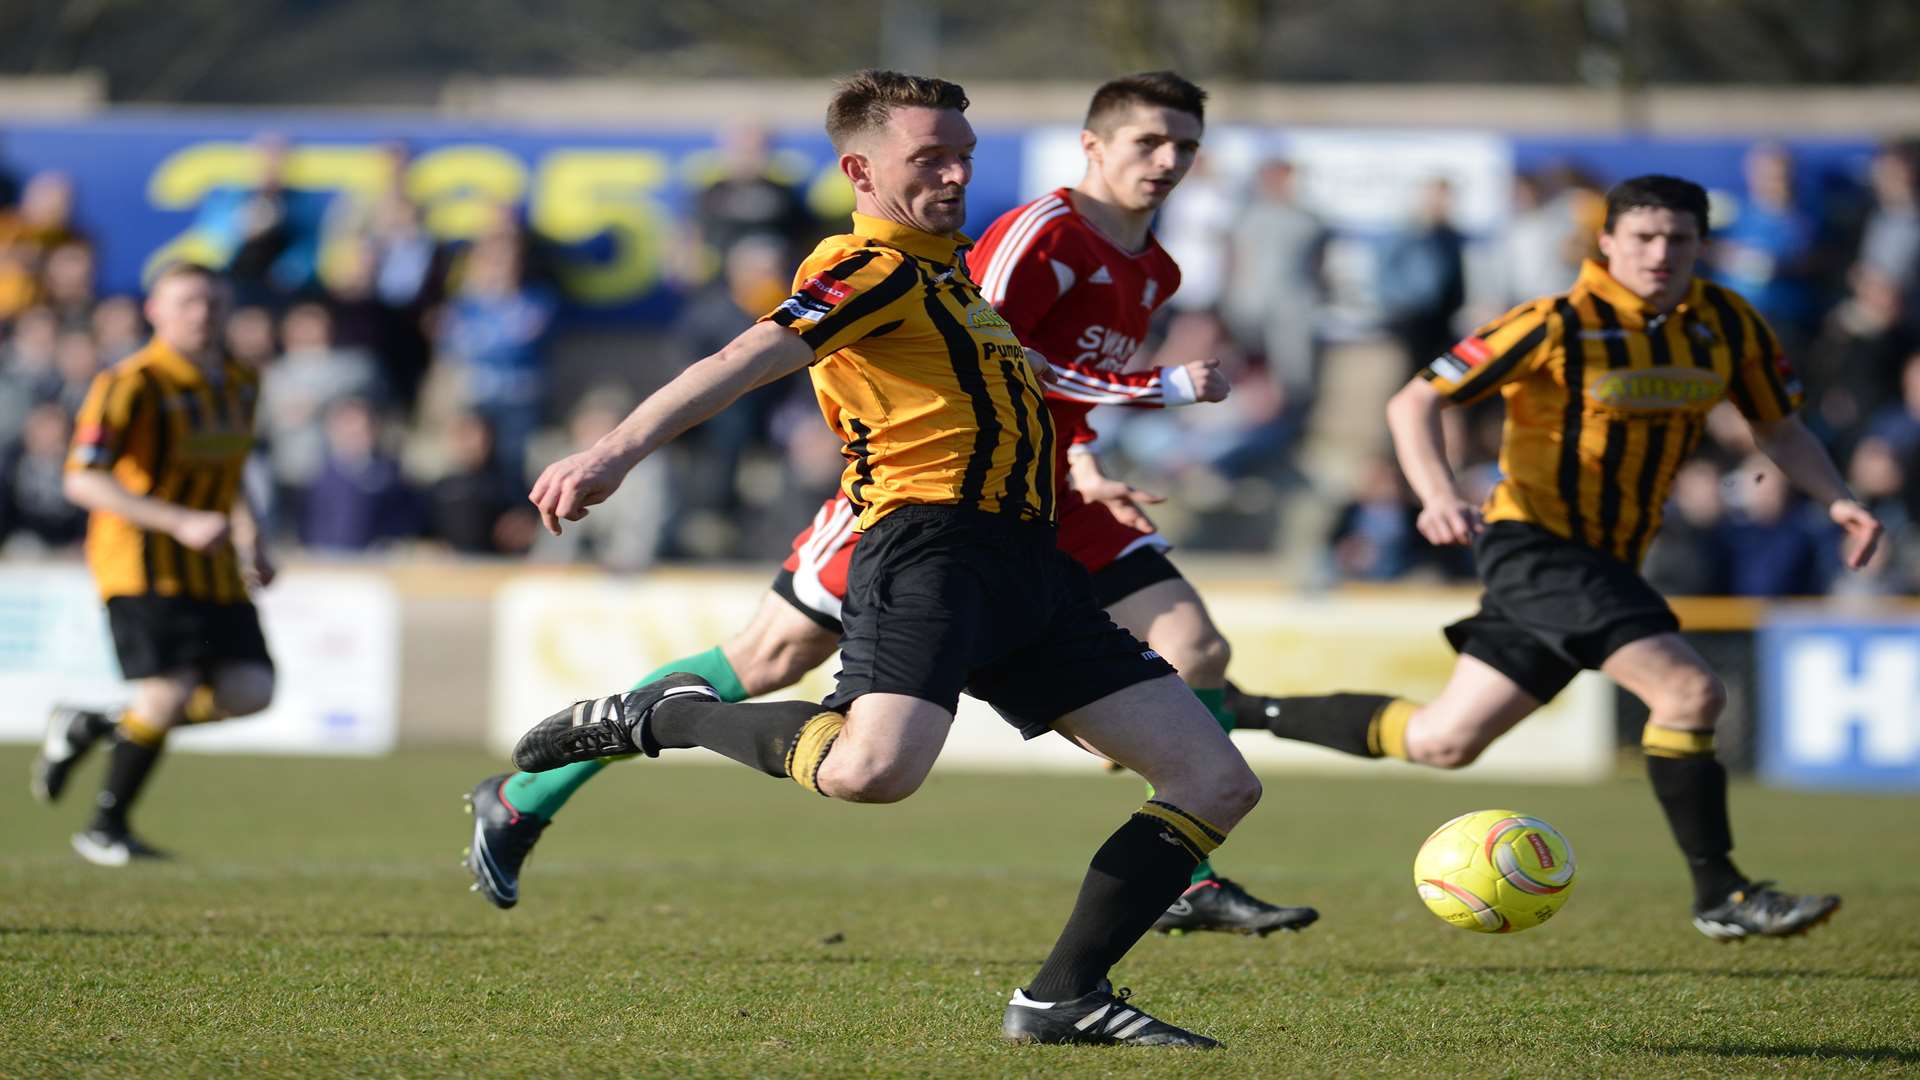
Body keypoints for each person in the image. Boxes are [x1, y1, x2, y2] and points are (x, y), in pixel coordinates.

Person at [499, 70, 1261, 1048]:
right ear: (860, 170)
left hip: (1029, 562)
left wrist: (1079, 458)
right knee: (871, 772)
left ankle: (1061, 999)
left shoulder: (950, 274)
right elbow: (743, 357)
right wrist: (612, 451)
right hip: (929, 549)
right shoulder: (872, 269)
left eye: (964, 158)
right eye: (929, 159)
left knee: (1216, 779)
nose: (954, 175)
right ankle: (663, 717)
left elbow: (1024, 392)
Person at [1223, 175, 1884, 941]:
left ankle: (1231, 710)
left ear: (1703, 246)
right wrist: (1435, 491)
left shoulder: (1729, 324)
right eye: (1642, 237)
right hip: (1537, 546)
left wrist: (1836, 497)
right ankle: (1724, 895)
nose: (1660, 253)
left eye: (1678, 239)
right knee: (1689, 691)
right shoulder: (1555, 322)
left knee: (1445, 742)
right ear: (1607, 241)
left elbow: (1780, 428)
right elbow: (1414, 400)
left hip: (1612, 560)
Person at [30, 263, 278, 866]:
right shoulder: (129, 382)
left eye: (213, 302)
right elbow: (82, 479)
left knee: (251, 691)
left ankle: (90, 726)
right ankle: (104, 828)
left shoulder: (241, 379)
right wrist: (178, 521)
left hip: (212, 565)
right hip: (139, 561)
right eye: (188, 302)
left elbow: (229, 469)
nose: (203, 313)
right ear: (155, 312)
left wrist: (252, 538)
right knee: (168, 692)